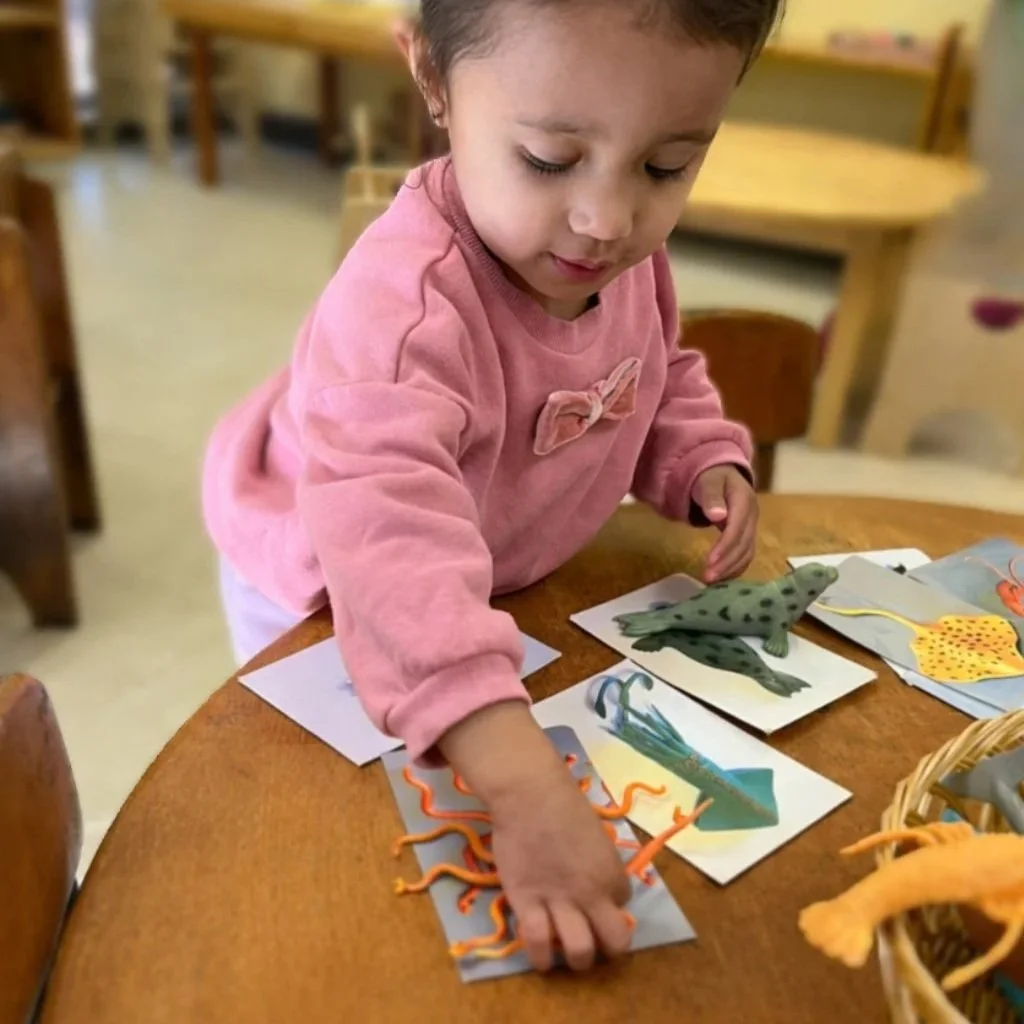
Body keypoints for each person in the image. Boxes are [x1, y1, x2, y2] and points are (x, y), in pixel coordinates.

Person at [203, 0, 781, 975]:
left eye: (666, 165)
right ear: (432, 76)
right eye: (550, 160)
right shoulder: (402, 309)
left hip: (496, 563)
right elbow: (393, 552)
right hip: (329, 577)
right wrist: (518, 788)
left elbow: (653, 366)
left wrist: (698, 457)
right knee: (350, 827)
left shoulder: (617, 252)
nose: (607, 219)